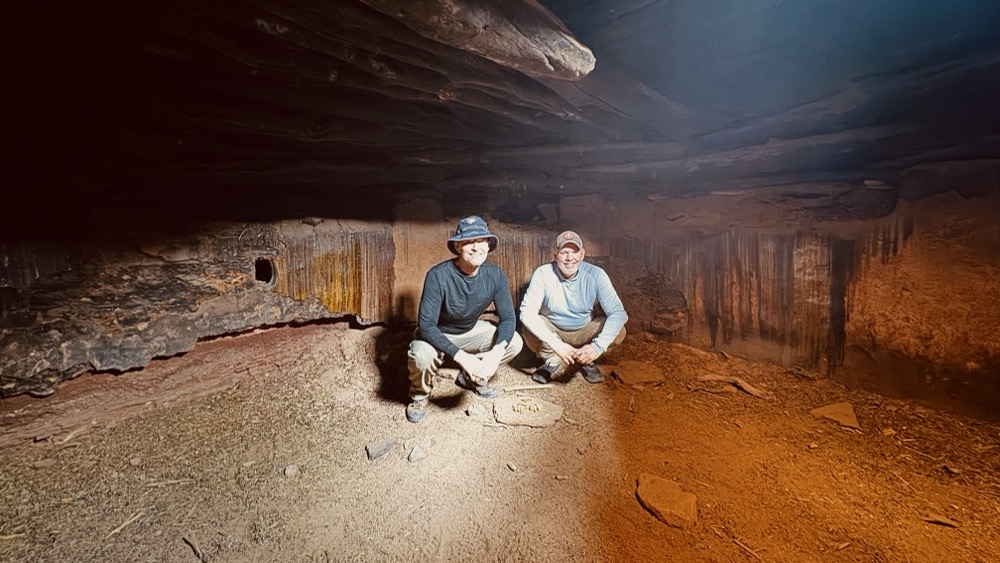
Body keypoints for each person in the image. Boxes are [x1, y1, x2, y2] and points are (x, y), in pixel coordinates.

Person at [405, 215, 524, 423]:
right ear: (458, 246)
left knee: (513, 342)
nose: (476, 247)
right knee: (421, 354)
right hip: (437, 334)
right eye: (469, 241)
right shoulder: (438, 275)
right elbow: (426, 326)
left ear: (488, 245)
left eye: (482, 241)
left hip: (470, 331)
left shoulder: (494, 275)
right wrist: (461, 357)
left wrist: (496, 353)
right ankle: (419, 395)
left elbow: (508, 318)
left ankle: (471, 378)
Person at [519, 230, 627, 384]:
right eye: (564, 252)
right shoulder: (543, 273)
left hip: (584, 330)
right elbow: (527, 312)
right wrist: (556, 345)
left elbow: (618, 313)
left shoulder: (596, 275)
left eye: (574, 252)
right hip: (554, 329)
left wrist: (597, 347)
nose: (569, 258)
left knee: (618, 331)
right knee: (528, 327)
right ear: (555, 254)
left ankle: (585, 358)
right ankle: (552, 360)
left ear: (582, 254)